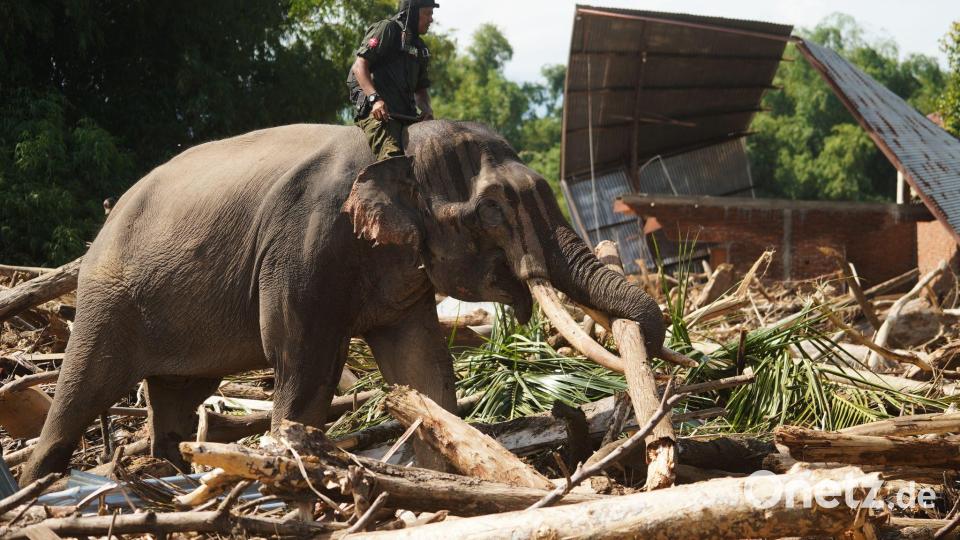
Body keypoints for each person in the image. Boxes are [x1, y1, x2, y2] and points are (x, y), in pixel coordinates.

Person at [347, 0, 438, 161]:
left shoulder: (421, 48)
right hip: (378, 114)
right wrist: (375, 99)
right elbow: (359, 66)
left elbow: (420, 89)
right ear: (412, 13)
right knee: (394, 161)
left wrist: (427, 110)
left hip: (407, 116)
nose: (431, 19)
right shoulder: (387, 29)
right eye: (428, 13)